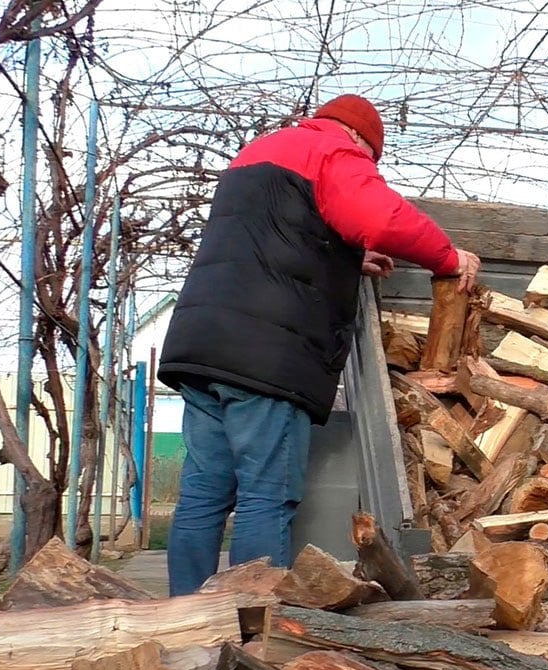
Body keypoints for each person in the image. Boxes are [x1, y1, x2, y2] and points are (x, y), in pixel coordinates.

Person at [158, 93, 482, 596]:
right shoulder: (335, 153)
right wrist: (446, 257)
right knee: (266, 496)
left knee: (202, 495)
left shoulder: (257, 153)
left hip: (202, 348)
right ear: (361, 139)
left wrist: (348, 258)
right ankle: (250, 621)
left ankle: (185, 619)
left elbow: (279, 243)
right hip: (265, 360)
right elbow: (382, 219)